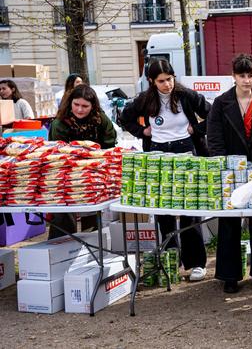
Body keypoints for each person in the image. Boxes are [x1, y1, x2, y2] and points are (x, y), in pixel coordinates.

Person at [121, 59, 211, 282]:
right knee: (164, 210)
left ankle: (197, 263)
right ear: (152, 81)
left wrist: (197, 128)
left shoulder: (186, 95)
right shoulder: (145, 99)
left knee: (190, 208)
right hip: (158, 154)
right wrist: (144, 132)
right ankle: (172, 260)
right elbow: (125, 118)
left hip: (185, 151)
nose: (167, 85)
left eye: (169, 79)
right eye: (161, 81)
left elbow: (212, 113)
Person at [207, 53, 252, 293]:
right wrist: (225, 164)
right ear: (233, 76)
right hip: (231, 169)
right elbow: (214, 138)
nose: (246, 80)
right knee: (229, 221)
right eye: (242, 76)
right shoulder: (220, 103)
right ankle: (229, 275)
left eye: (250, 75)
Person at [48, 85, 116, 239]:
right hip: (65, 174)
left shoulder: (101, 120)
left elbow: (109, 146)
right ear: (70, 103)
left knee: (93, 213)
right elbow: (57, 153)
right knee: (64, 214)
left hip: (95, 173)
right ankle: (60, 247)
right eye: (76, 104)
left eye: (85, 106)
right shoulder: (59, 123)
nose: (79, 109)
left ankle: (90, 247)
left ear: (93, 106)